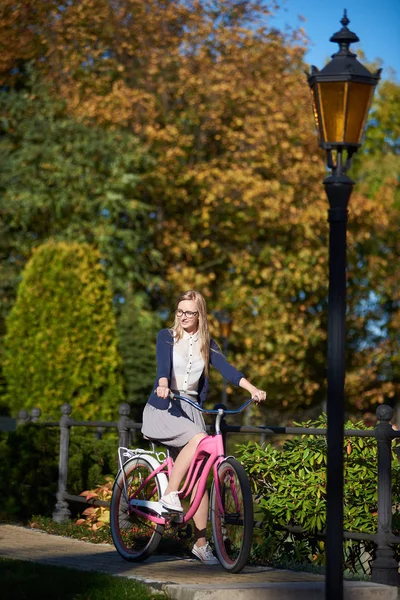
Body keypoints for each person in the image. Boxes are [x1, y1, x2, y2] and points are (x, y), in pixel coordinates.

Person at [141, 290, 267, 565]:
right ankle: (170, 494)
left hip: (192, 411)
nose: (183, 317)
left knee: (200, 478)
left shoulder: (207, 344)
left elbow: (229, 370)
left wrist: (252, 388)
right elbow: (163, 364)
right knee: (199, 439)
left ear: (200, 315)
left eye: (189, 312)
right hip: (165, 406)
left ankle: (200, 544)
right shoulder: (166, 336)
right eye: (179, 311)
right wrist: (163, 384)